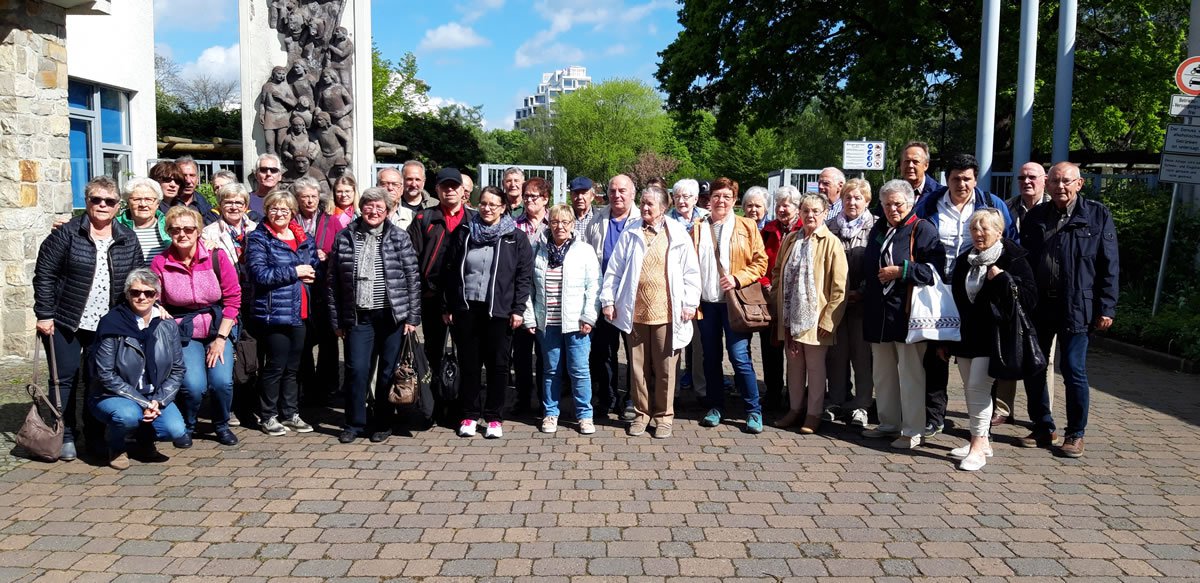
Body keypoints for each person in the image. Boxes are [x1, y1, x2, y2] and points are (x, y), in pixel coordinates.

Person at [34, 176, 145, 461]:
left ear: (118, 206)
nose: (102, 205)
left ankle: (96, 435)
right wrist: (44, 314)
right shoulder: (66, 234)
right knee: (64, 377)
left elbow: (138, 277)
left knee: (98, 378)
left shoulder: (127, 238)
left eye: (109, 201)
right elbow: (44, 274)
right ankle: (65, 433)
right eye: (96, 199)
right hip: (66, 319)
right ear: (87, 202)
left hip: (108, 323)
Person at [913, 153, 1017, 438]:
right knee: (936, 353)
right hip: (938, 288)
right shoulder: (929, 203)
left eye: (967, 179)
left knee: (982, 357)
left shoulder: (991, 204)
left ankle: (982, 425)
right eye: (956, 178)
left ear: (975, 179)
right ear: (947, 179)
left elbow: (1009, 240)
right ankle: (934, 416)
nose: (962, 184)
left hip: (978, 291)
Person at [1020, 162, 1119, 458]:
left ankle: (1075, 433)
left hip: (1077, 305)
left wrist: (1107, 307)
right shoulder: (1036, 216)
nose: (1060, 186)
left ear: (1079, 183)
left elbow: (1109, 265)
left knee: (1073, 369)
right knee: (1035, 366)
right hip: (1040, 305)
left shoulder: (1097, 215)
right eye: (1055, 181)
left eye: (1066, 181)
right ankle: (1043, 426)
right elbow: (1024, 261)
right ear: (1047, 184)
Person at [599, 186, 701, 438]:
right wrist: (608, 300)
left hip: (667, 312)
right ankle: (641, 414)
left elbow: (691, 272)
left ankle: (664, 416)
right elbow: (615, 270)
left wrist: (690, 303)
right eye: (643, 203)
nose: (644, 207)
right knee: (638, 368)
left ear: (663, 207)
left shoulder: (677, 233)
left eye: (650, 204)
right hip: (636, 312)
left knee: (665, 368)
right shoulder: (631, 231)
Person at [327, 187, 421, 443]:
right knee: (357, 369)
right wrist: (336, 320)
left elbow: (412, 278)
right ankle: (354, 423)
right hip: (358, 316)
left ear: (388, 211)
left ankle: (383, 422)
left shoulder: (399, 237)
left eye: (380, 207)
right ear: (361, 208)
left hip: (391, 316)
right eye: (369, 206)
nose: (374, 211)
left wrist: (412, 318)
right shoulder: (345, 237)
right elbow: (333, 282)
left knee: (388, 371)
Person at [947, 208, 1037, 471]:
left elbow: (1030, 299)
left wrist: (1003, 279)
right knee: (971, 389)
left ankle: (977, 447)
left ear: (999, 232)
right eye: (974, 228)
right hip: (966, 336)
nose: (978, 233)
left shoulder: (1013, 258)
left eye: (984, 228)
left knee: (978, 387)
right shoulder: (965, 259)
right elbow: (956, 299)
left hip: (995, 336)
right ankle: (983, 441)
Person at [441, 186, 533, 439]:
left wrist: (518, 309)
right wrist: (448, 305)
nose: (487, 208)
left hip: (500, 311)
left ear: (503, 207)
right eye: (483, 203)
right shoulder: (464, 232)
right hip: (467, 308)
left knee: (498, 365)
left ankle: (493, 417)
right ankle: (469, 415)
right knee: (470, 364)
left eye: (493, 204)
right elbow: (449, 269)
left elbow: (523, 276)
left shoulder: (515, 237)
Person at [860, 180, 945, 449]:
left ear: (910, 203)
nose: (892, 209)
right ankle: (888, 423)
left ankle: (912, 430)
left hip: (907, 314)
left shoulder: (922, 229)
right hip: (879, 313)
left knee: (910, 374)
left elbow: (934, 270)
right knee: (883, 373)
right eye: (887, 204)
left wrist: (902, 271)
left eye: (898, 204)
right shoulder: (879, 229)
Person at [151, 207, 242, 448]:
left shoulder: (216, 257)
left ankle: (221, 424)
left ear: (198, 231)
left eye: (188, 229)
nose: (182, 234)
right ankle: (188, 425)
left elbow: (233, 299)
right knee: (194, 385)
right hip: (184, 331)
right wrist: (158, 308)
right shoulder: (161, 262)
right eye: (175, 229)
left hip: (218, 327)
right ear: (168, 232)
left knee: (221, 382)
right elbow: (153, 298)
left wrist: (221, 339)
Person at [89, 269, 187, 470]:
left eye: (148, 293)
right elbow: (106, 374)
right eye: (135, 292)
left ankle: (144, 440)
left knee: (175, 430)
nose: (142, 297)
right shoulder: (111, 324)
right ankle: (116, 446)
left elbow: (177, 369)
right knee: (127, 416)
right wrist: (144, 403)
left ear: (156, 296)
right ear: (127, 294)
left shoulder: (167, 326)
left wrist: (159, 401)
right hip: (113, 395)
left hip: (154, 394)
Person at [693, 177, 769, 433]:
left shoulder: (747, 226)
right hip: (707, 303)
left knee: (739, 357)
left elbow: (761, 262)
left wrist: (738, 278)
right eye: (717, 196)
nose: (721, 201)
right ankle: (715, 406)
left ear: (735, 200)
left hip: (735, 304)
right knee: (710, 357)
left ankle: (753, 410)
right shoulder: (698, 227)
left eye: (727, 196)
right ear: (709, 199)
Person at [770, 193, 847, 434]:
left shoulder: (831, 242)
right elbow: (777, 271)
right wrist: (776, 301)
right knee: (794, 366)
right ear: (799, 213)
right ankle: (795, 409)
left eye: (815, 211)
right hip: (789, 316)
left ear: (825, 213)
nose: (810, 215)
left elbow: (840, 286)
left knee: (815, 368)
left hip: (816, 318)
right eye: (805, 210)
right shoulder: (791, 239)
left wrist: (829, 319)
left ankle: (813, 413)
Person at [245, 190, 320, 437]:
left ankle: (290, 413)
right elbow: (259, 274)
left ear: (292, 213)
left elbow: (313, 266)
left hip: (301, 310)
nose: (279, 213)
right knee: (275, 365)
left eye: (284, 209)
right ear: (266, 210)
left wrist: (313, 273)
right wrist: (295, 272)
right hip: (274, 311)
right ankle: (268, 415)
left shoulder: (303, 237)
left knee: (293, 367)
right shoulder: (259, 238)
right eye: (274, 209)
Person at [523, 204, 600, 435]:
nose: (560, 227)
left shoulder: (584, 250)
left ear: (572, 225)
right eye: (555, 221)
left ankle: (584, 415)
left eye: (565, 222)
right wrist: (530, 318)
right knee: (551, 371)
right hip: (547, 323)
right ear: (549, 224)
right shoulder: (537, 249)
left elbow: (594, 286)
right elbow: (528, 287)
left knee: (579, 371)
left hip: (577, 324)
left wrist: (589, 316)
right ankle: (550, 413)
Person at [409, 167, 476, 427]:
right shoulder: (424, 218)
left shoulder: (474, 219)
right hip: (432, 297)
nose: (450, 190)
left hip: (464, 299)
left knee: (466, 354)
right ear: (436, 190)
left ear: (463, 191)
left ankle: (461, 407)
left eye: (454, 186)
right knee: (434, 353)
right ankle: (434, 406)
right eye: (444, 186)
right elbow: (412, 259)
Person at [993, 161, 1053, 425]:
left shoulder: (1054, 207)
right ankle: (1003, 409)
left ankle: (1042, 414)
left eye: (1032, 177)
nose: (1026, 182)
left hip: (1043, 291)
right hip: (1012, 287)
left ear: (1045, 180)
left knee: (1042, 355)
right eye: (1021, 178)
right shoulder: (1007, 207)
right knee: (1008, 346)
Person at [584, 174, 638, 420]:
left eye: (622, 190)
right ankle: (607, 398)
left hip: (632, 298)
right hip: (603, 298)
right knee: (604, 352)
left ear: (633, 194)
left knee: (635, 352)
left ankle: (633, 399)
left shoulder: (641, 220)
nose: (617, 195)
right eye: (613, 190)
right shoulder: (597, 221)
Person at [825, 179, 876, 427]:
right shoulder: (829, 227)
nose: (852, 202)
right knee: (836, 355)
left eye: (858, 198)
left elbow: (877, 264)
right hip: (835, 303)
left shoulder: (876, 227)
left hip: (863, 303)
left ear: (867, 201)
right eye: (848, 197)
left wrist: (861, 291)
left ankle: (862, 405)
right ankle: (836, 401)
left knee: (862, 356)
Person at [293, 177, 347, 407]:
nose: (309, 201)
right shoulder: (290, 220)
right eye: (304, 196)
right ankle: (306, 387)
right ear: (297, 199)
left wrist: (328, 254)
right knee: (302, 341)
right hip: (298, 289)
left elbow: (343, 249)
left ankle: (328, 387)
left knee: (328, 340)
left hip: (325, 289)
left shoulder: (330, 221)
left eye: (313, 196)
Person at [755, 185, 799, 410]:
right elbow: (759, 262)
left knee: (794, 351)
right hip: (771, 298)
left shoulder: (804, 229)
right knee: (770, 349)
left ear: (797, 207)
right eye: (779, 205)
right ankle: (772, 393)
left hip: (796, 299)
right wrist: (765, 283)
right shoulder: (768, 230)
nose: (782, 209)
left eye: (786, 205)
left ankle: (794, 396)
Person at [511, 177, 551, 416]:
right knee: (522, 354)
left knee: (546, 354)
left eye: (533, 196)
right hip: (521, 295)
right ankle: (523, 399)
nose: (528, 200)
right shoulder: (514, 225)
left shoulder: (554, 223)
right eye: (525, 196)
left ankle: (547, 400)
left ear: (545, 199)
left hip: (548, 297)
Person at [116, 178, 170, 262]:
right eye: (137, 199)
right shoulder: (116, 226)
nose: (143, 204)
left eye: (148, 199)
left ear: (157, 203)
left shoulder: (169, 225)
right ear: (128, 203)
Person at [171, 156, 217, 224]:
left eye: (192, 175)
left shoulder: (205, 207)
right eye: (183, 175)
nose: (188, 181)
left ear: (197, 179)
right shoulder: (166, 204)